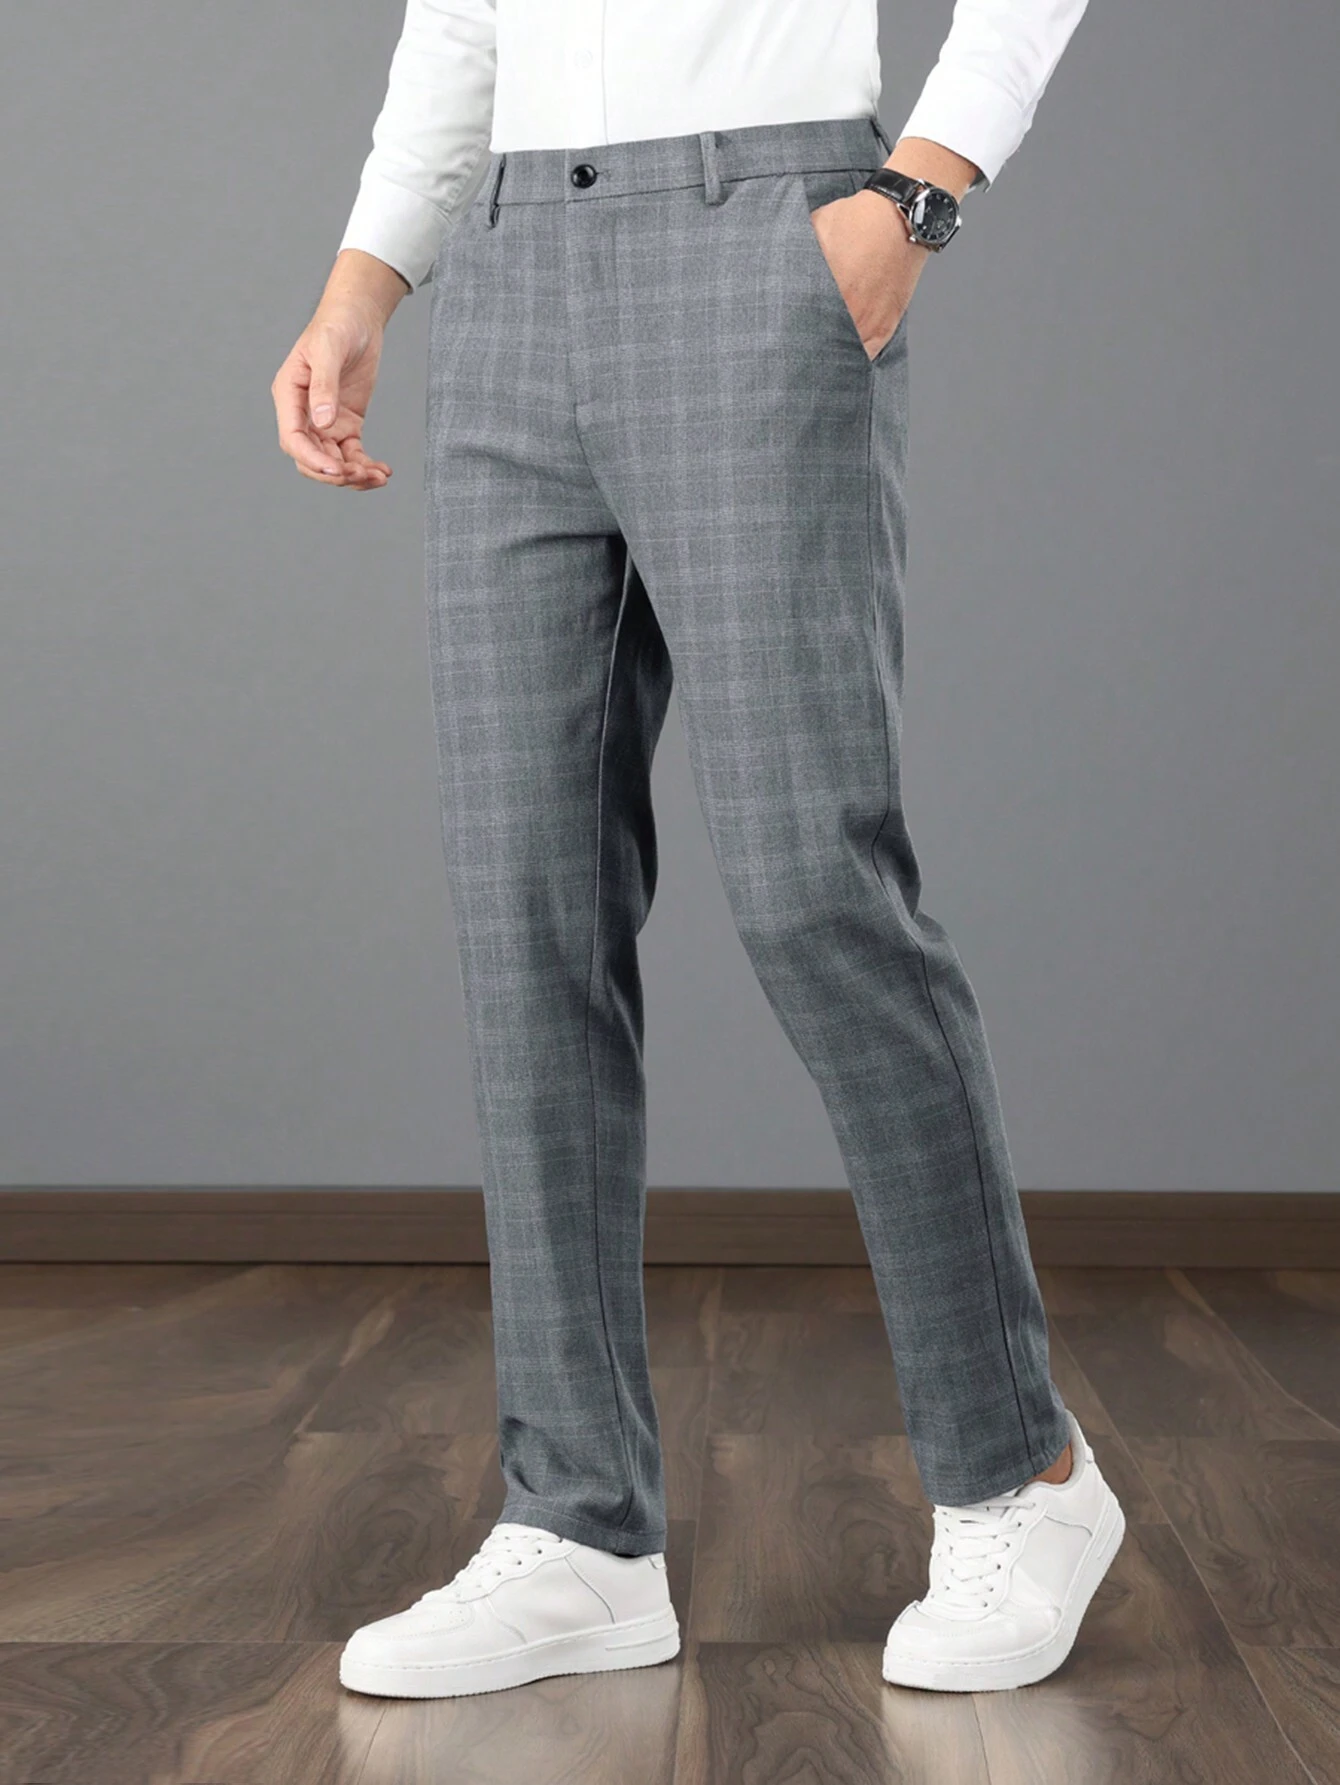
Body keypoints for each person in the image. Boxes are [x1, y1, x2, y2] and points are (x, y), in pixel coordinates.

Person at [272, 0, 1125, 1700]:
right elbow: (463, 19)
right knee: (524, 910)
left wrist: (922, 191)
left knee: (814, 881)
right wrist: (366, 277)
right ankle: (580, 1523)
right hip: (512, 265)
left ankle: (1019, 1471)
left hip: (768, 237)